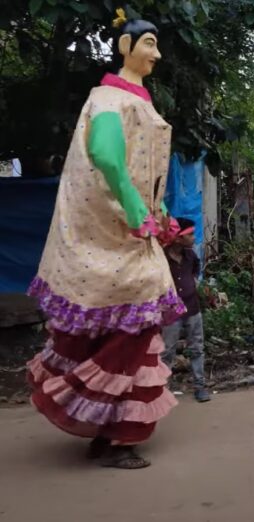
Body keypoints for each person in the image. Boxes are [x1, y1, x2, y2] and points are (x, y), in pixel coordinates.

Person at [25, 13, 180, 469]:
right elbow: (107, 155)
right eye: (148, 43)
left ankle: (109, 433)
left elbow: (141, 166)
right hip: (114, 232)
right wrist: (137, 211)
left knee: (123, 330)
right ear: (123, 46)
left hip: (129, 232)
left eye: (156, 45)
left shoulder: (132, 99)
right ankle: (114, 436)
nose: (156, 54)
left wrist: (160, 212)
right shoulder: (109, 97)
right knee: (134, 329)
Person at [161, 218, 210, 403]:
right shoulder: (163, 258)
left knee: (197, 347)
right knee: (167, 351)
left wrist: (194, 281)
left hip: (192, 308)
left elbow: (196, 268)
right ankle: (163, 389)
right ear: (178, 238)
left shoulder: (191, 256)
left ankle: (200, 386)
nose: (193, 237)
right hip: (171, 312)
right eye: (189, 234)